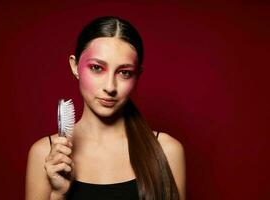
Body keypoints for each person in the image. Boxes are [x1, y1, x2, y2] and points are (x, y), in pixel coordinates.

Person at [25, 16, 186, 200]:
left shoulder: (166, 151)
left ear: (137, 77)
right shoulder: (46, 155)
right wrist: (58, 194)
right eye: (97, 68)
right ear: (75, 65)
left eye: (124, 72)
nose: (110, 87)